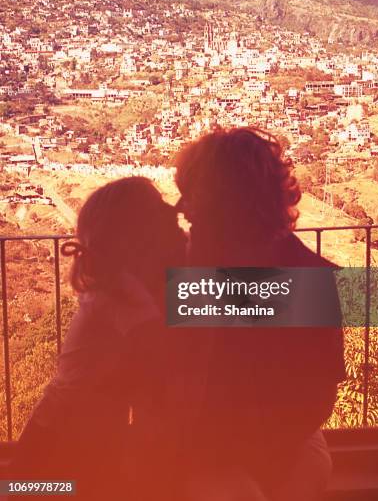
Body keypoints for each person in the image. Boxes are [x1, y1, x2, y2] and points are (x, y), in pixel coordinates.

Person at [175, 127, 346, 500]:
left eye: (192, 199)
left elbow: (313, 400)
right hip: (270, 442)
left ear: (227, 207)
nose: (181, 209)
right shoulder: (306, 275)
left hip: (269, 445)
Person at [8, 176, 188, 500]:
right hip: (68, 436)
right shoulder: (123, 295)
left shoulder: (122, 288)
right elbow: (163, 355)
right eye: (157, 206)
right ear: (138, 233)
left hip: (76, 430)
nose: (172, 210)